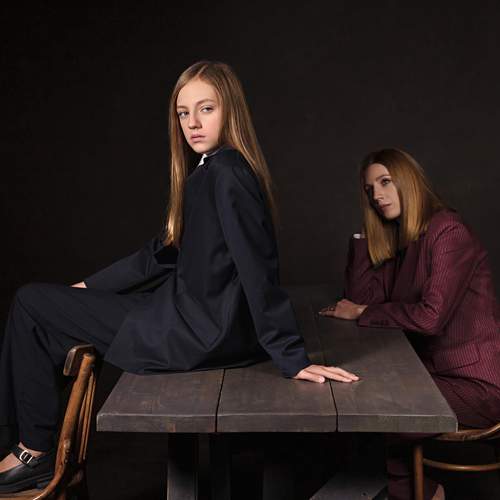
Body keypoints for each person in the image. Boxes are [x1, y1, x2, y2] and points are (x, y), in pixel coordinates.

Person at [0, 61, 358, 493]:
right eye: (183, 113)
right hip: (189, 320)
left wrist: (292, 357)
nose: (193, 123)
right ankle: (30, 447)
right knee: (42, 310)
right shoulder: (207, 171)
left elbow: (257, 267)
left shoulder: (227, 174)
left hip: (195, 331)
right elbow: (161, 254)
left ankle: (33, 452)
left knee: (30, 303)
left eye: (206, 109)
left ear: (230, 110)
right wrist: (86, 289)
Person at [320, 148, 500, 500]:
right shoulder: (406, 237)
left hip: (477, 383)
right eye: (369, 190)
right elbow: (361, 299)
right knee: (359, 396)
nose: (377, 195)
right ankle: (416, 492)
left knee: (380, 411)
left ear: (409, 181)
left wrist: (362, 312)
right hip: (431, 375)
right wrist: (366, 234)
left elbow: (429, 318)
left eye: (385, 182)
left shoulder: (447, 231)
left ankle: (422, 494)